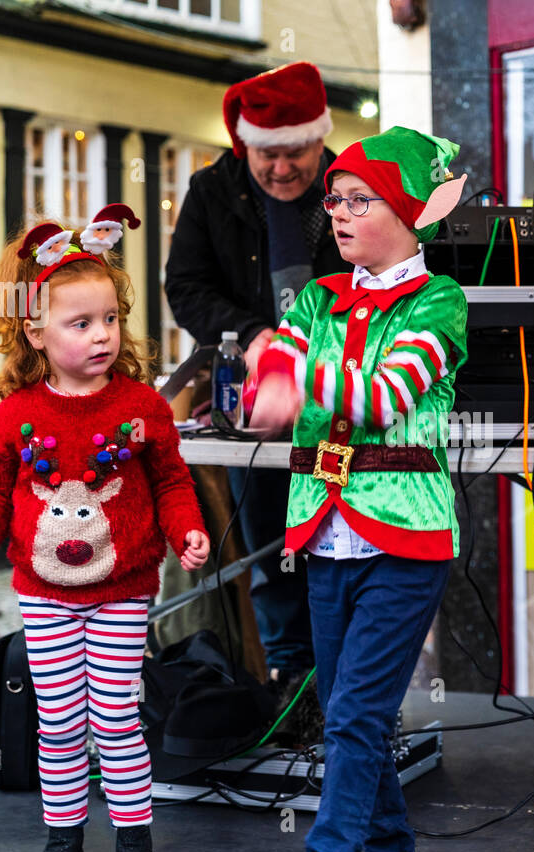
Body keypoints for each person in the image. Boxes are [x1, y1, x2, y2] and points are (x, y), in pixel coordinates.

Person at [0, 209, 210, 852]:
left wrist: (188, 529)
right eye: (80, 324)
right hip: (44, 594)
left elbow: (170, 482)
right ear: (37, 332)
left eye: (110, 319)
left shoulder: (142, 407)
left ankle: (134, 843)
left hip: (123, 588)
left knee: (115, 720)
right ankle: (65, 841)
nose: (102, 335)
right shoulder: (15, 415)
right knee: (58, 723)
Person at [248, 125, 469, 852]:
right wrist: (268, 378)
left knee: (353, 714)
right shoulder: (318, 296)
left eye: (359, 199)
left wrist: (293, 374)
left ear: (410, 214)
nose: (337, 213)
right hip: (324, 531)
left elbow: (384, 395)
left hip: (405, 538)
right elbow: (268, 381)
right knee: (356, 715)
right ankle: (390, 849)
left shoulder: (439, 303)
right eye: (334, 199)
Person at [164, 60, 349, 695]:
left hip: (341, 405)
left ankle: (346, 688)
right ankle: (293, 684)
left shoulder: (355, 188)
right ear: (245, 145)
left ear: (321, 139)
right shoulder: (212, 190)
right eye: (266, 155)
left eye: (296, 152)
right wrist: (251, 334)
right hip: (253, 410)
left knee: (340, 540)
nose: (281, 169)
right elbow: (185, 287)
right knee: (271, 545)